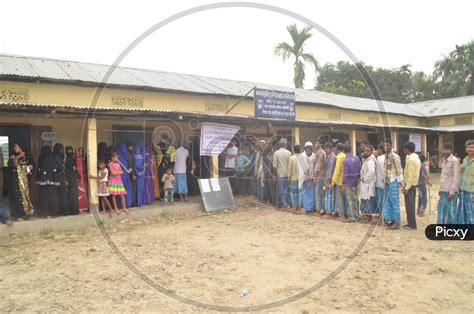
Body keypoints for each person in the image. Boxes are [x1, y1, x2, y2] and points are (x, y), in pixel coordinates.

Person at [7, 143, 35, 219]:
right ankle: (18, 214)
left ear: (21, 147)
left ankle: (27, 213)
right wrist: (19, 156)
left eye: (16, 147)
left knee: (26, 196)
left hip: (25, 180)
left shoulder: (28, 156)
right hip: (16, 181)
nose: (14, 148)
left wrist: (29, 167)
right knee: (17, 196)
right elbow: (11, 165)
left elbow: (32, 165)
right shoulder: (13, 157)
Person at [382, 139, 403, 230]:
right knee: (388, 202)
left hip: (393, 181)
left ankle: (397, 222)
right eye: (384, 145)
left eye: (388, 145)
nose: (386, 147)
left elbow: (399, 171)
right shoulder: (385, 157)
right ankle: (390, 220)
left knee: (395, 202)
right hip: (386, 181)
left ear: (391, 145)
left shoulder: (395, 157)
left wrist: (400, 184)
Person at [437, 143, 460, 223]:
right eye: (444, 149)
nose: (445, 151)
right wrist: (440, 189)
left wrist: (452, 192)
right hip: (444, 190)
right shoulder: (444, 161)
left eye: (448, 149)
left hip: (450, 191)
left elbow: (456, 177)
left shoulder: (454, 161)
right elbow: (444, 177)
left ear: (451, 150)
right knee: (442, 210)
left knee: (451, 211)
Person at [35, 145, 60, 217]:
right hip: (52, 183)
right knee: (51, 198)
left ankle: (44, 213)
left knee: (43, 198)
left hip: (43, 183)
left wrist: (39, 179)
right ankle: (52, 213)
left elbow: (39, 170)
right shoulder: (52, 157)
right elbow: (55, 170)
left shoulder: (41, 157)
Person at [402, 141, 421, 230]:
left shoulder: (411, 159)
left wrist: (406, 187)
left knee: (409, 205)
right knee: (410, 204)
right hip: (413, 184)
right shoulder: (415, 157)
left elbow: (410, 175)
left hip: (410, 185)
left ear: (407, 149)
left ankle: (412, 224)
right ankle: (410, 223)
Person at [342, 144, 361, 222]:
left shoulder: (346, 160)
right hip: (356, 181)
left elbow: (345, 173)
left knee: (350, 199)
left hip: (349, 181)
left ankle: (351, 217)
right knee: (355, 198)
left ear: (344, 151)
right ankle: (357, 215)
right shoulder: (356, 158)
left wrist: (343, 183)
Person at [359, 144, 376, 222]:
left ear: (371, 152)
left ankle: (368, 217)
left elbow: (371, 172)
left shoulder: (370, 161)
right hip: (366, 184)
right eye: (365, 150)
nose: (365, 152)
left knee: (367, 200)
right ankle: (365, 216)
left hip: (368, 184)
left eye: (367, 151)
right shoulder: (367, 159)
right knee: (365, 199)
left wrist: (364, 179)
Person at [273, 138, 291, 208]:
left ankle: (284, 204)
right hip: (288, 174)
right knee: (287, 189)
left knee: (281, 190)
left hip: (280, 174)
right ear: (286, 145)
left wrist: (274, 175)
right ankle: (288, 203)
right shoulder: (289, 153)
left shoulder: (276, 153)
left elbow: (274, 165)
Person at [458, 139, 474, 224]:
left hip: (472, 191)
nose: (470, 149)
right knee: (463, 211)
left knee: (471, 211)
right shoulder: (465, 159)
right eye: (468, 147)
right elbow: (462, 169)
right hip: (463, 189)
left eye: (472, 147)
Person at [330, 142, 346, 218]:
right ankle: (344, 213)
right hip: (345, 180)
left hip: (339, 181)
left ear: (337, 149)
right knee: (344, 198)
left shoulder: (338, 157)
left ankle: (341, 214)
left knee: (339, 198)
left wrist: (333, 182)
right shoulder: (345, 156)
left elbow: (337, 170)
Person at [53, 143, 69, 216]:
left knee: (62, 194)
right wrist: (63, 164)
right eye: (61, 149)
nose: (62, 150)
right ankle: (62, 212)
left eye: (63, 148)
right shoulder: (56, 156)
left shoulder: (59, 156)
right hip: (58, 178)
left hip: (60, 177)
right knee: (61, 195)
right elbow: (60, 168)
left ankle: (62, 211)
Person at [116, 143, 134, 208]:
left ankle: (121, 204)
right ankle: (127, 203)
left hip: (120, 176)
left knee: (121, 191)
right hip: (124, 176)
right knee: (125, 190)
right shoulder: (125, 156)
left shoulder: (118, 157)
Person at [299, 142, 315, 213]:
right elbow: (302, 168)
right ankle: (305, 208)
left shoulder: (314, 156)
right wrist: (307, 177)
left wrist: (310, 177)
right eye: (307, 149)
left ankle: (311, 208)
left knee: (311, 193)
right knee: (304, 193)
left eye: (310, 149)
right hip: (303, 178)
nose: (309, 150)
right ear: (305, 149)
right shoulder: (301, 156)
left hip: (312, 178)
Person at [65, 146, 80, 215]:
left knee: (71, 196)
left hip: (70, 179)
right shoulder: (71, 159)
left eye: (71, 151)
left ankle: (71, 211)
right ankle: (74, 211)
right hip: (72, 179)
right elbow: (74, 170)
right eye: (69, 151)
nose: (70, 152)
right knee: (72, 196)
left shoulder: (67, 159)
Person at [322, 142, 336, 216]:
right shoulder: (326, 156)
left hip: (330, 179)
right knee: (326, 196)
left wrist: (329, 180)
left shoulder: (332, 157)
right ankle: (328, 211)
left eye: (327, 148)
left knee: (330, 196)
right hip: (326, 178)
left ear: (331, 149)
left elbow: (331, 170)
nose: (325, 150)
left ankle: (329, 212)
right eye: (325, 148)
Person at [313, 139, 325, 214]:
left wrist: (315, 176)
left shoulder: (320, 152)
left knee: (318, 193)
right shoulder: (318, 152)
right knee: (320, 193)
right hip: (321, 175)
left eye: (317, 143)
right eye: (315, 143)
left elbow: (318, 165)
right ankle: (321, 208)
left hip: (319, 175)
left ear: (320, 144)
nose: (315, 145)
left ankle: (318, 210)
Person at [75, 147, 89, 213]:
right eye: (79, 151)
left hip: (84, 179)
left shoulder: (82, 160)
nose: (80, 153)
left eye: (81, 151)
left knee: (84, 193)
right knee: (79, 193)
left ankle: (84, 207)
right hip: (79, 179)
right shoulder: (76, 160)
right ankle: (80, 207)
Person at [133, 143, 147, 207]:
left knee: (141, 188)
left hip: (140, 175)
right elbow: (137, 166)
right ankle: (139, 202)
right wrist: (144, 165)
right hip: (139, 176)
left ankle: (142, 201)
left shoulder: (139, 155)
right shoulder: (138, 156)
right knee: (140, 188)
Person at [287, 145, 300, 210]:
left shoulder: (292, 158)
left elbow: (290, 169)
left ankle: (294, 206)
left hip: (293, 178)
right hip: (300, 178)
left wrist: (288, 178)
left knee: (293, 193)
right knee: (299, 192)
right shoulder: (302, 157)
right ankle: (299, 205)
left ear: (294, 150)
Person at [374, 144, 385, 216]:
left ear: (381, 150)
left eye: (377, 149)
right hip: (382, 182)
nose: (376, 151)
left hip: (380, 182)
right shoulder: (385, 157)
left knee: (380, 200)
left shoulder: (380, 159)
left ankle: (382, 216)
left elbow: (382, 170)